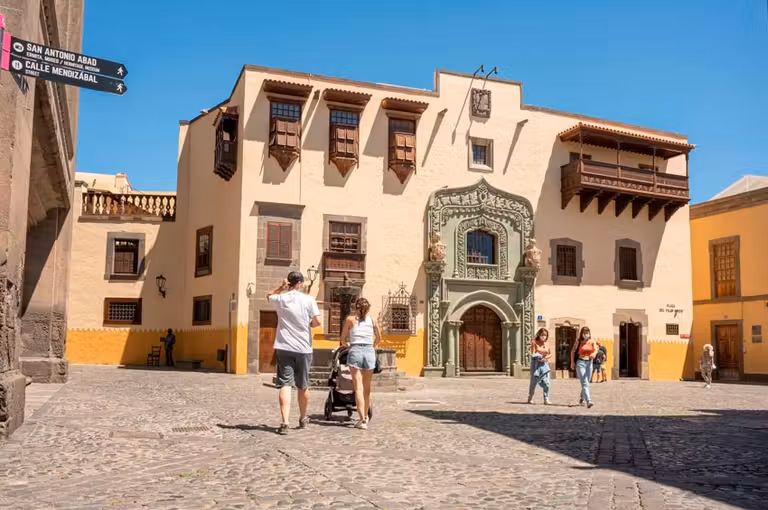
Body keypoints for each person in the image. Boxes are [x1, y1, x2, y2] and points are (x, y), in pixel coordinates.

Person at [267, 271, 321, 435]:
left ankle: (284, 422)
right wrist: (307, 324)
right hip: (303, 348)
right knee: (303, 385)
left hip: (284, 346)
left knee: (285, 384)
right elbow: (317, 322)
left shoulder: (281, 298)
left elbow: (268, 294)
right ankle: (303, 418)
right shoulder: (308, 299)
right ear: (301, 283)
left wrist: (281, 287)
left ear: (289, 283)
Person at [340, 297, 380, 430]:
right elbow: (379, 337)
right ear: (368, 308)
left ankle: (362, 419)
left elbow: (342, 339)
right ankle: (366, 417)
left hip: (356, 350)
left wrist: (348, 345)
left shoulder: (350, 320)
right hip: (369, 351)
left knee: (358, 388)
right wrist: (373, 345)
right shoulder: (372, 320)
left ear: (356, 307)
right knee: (367, 389)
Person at [570, 326, 598, 408]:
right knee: (585, 382)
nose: (586, 335)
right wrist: (572, 362)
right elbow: (572, 351)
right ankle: (588, 401)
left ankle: (582, 397)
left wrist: (594, 354)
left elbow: (596, 349)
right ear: (582, 334)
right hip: (580, 363)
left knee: (587, 382)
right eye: (584, 333)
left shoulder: (592, 341)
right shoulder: (578, 342)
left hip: (589, 363)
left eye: (587, 333)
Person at [527, 328, 552, 405]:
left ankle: (546, 398)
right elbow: (533, 353)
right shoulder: (534, 342)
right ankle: (530, 397)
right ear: (539, 334)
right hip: (536, 364)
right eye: (542, 335)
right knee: (534, 382)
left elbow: (550, 354)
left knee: (547, 383)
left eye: (545, 335)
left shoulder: (547, 343)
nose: (544, 336)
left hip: (545, 364)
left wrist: (545, 358)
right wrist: (538, 357)